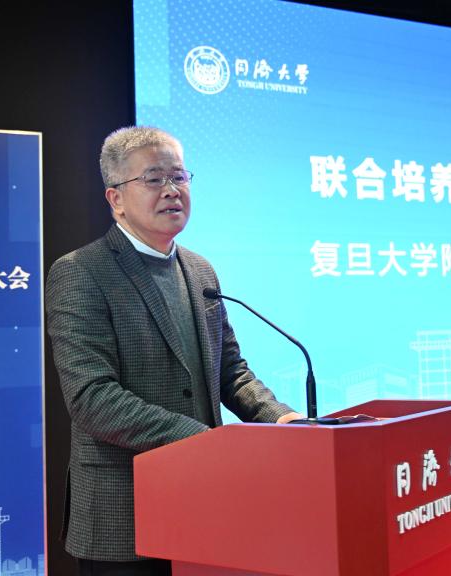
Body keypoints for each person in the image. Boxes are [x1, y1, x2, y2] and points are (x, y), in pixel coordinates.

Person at [46, 126, 303, 575]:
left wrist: (282, 419)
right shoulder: (81, 272)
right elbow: (92, 398)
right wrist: (203, 440)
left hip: (202, 506)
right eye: (153, 179)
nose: (171, 190)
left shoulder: (200, 270)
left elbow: (230, 372)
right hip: (124, 517)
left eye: (179, 177)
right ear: (115, 199)